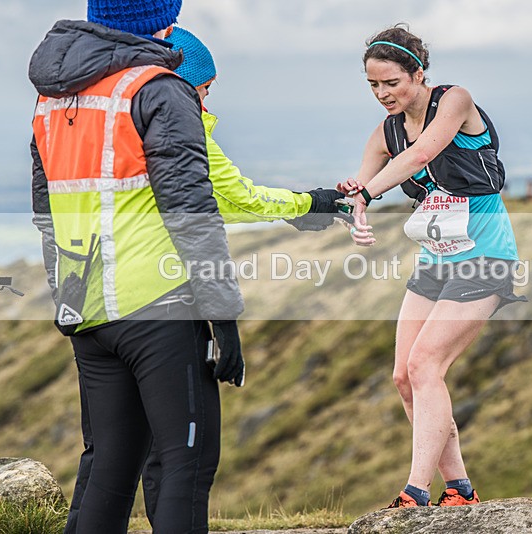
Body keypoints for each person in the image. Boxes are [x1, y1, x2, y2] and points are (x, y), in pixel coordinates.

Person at [42, 21, 347, 532]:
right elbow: (217, 200)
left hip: (89, 306)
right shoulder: (169, 107)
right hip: (159, 305)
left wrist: (66, 294)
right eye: (203, 88)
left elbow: (46, 210)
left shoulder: (69, 108)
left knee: (108, 467)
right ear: (179, 77)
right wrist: (223, 316)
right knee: (186, 461)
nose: (205, 101)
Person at [338, 24, 526, 508]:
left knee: (427, 365)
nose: (383, 94)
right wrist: (351, 206)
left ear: (418, 74)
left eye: (392, 83)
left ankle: (415, 491)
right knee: (404, 376)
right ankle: (460, 489)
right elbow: (362, 186)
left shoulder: (455, 101)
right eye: (373, 86)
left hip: (485, 259)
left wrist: (370, 191)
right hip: (436, 262)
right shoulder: (385, 132)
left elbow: (423, 153)